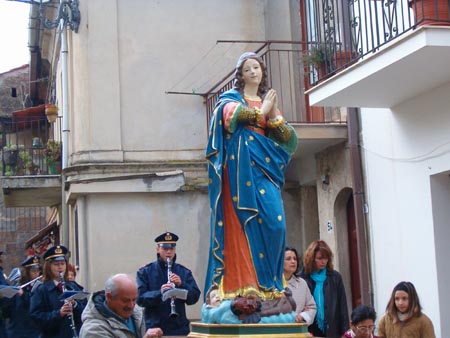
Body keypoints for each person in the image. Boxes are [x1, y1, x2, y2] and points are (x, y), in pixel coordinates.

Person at [205, 52, 298, 303]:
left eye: (257, 67)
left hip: (265, 169)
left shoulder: (267, 100)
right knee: (242, 223)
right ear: (241, 75)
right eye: (248, 69)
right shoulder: (230, 99)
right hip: (240, 172)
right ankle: (245, 284)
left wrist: (274, 112)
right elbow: (231, 118)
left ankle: (272, 283)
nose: (253, 72)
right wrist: (262, 111)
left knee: (276, 223)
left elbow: (288, 140)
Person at [136, 232, 201, 336]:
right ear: (158, 249)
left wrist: (182, 284)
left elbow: (195, 297)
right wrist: (160, 293)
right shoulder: (145, 272)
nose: (169, 252)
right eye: (165, 249)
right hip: (155, 328)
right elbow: (140, 298)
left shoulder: (183, 272)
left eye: (172, 249)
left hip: (179, 328)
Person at [80, 274, 163, 338]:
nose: (131, 306)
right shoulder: (93, 330)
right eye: (125, 300)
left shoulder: (136, 315)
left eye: (134, 300)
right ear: (109, 297)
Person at [30, 245, 87, 338]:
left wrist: (75, 305)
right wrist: (59, 313)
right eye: (56, 264)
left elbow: (86, 312)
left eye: (62, 264)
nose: (60, 267)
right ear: (49, 267)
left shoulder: (73, 286)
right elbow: (36, 317)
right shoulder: (41, 290)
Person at [300, 240, 349, 337]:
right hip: (310, 328)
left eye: (326, 258)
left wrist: (345, 332)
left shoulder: (335, 277)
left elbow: (342, 307)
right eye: (320, 258)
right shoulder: (302, 278)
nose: (323, 261)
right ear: (311, 258)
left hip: (332, 329)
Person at [2, 255, 42, 338]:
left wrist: (23, 295)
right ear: (27, 272)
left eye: (38, 270)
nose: (36, 273)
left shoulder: (40, 287)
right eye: (33, 271)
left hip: (33, 331)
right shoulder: (18, 286)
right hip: (17, 331)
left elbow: (36, 306)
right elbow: (8, 311)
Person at [284, 247, 317, 326]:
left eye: (295, 259)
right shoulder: (272, 284)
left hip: (298, 330)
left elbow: (312, 307)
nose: (293, 261)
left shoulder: (302, 283)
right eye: (288, 259)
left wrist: (302, 316)